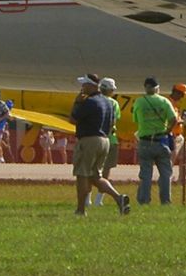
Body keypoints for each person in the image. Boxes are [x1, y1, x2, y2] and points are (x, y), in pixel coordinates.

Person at [71, 74, 131, 216]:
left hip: (89, 140)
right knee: (95, 176)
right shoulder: (109, 103)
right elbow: (112, 124)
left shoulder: (89, 102)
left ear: (91, 86)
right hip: (105, 140)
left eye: (84, 84)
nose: (82, 87)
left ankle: (80, 210)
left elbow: (73, 119)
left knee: (82, 174)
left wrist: (77, 102)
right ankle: (119, 198)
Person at [131, 76, 178, 206]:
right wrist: (167, 131)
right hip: (161, 140)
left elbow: (135, 119)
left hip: (145, 141)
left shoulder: (139, 102)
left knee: (145, 174)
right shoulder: (164, 101)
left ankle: (144, 200)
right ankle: (165, 201)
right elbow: (173, 119)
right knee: (165, 173)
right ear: (157, 88)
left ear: (145, 88)